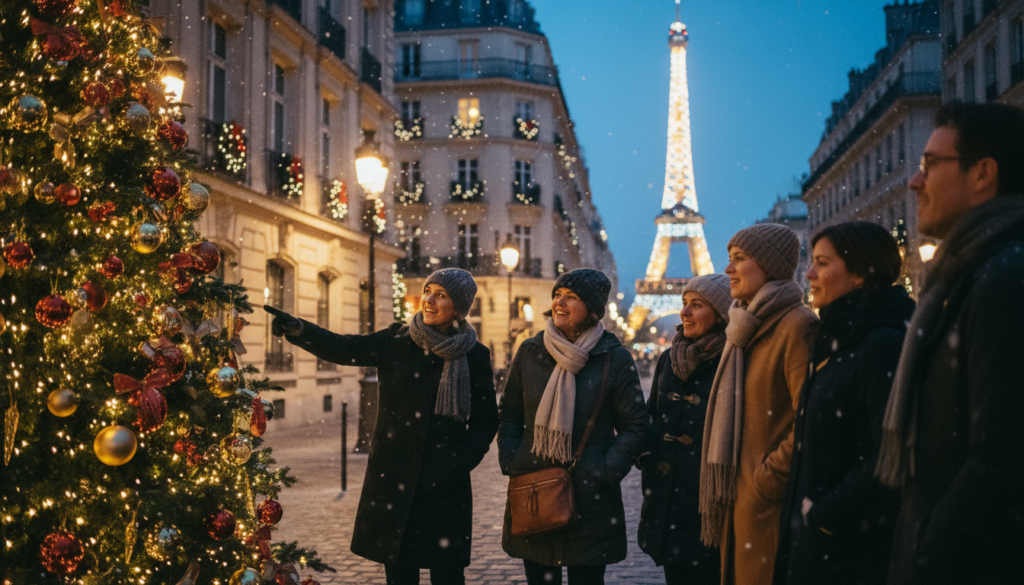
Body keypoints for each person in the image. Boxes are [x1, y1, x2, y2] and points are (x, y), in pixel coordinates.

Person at [264, 268, 499, 585]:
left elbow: (486, 419)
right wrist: (300, 330)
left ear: (458, 307)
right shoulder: (397, 340)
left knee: (448, 573)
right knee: (400, 572)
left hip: (445, 484)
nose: (428, 299)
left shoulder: (474, 355)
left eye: (441, 295)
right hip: (395, 477)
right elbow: (344, 348)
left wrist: (460, 461)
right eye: (428, 290)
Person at [876, 102, 1024, 585]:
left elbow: (999, 462)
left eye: (929, 165)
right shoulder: (966, 279)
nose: (914, 182)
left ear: (983, 174)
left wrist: (923, 554)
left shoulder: (1002, 279)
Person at [773, 222, 915, 585]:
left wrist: (823, 516)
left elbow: (889, 455)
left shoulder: (879, 345)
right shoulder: (836, 341)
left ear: (861, 274)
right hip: (822, 546)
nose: (808, 273)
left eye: (822, 262)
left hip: (848, 553)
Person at [497, 269, 651, 585]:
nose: (560, 303)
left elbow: (635, 425)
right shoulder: (530, 351)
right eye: (557, 295)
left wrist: (605, 470)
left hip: (590, 497)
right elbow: (510, 414)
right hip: (534, 486)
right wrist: (513, 459)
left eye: (572, 297)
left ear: (593, 310)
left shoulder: (614, 358)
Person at [699, 223, 818, 585]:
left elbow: (808, 419)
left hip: (764, 504)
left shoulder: (797, 325)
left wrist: (764, 481)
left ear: (769, 265)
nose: (728, 269)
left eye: (739, 259)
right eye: (729, 259)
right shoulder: (743, 325)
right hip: (740, 500)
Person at [637, 274, 733, 585]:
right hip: (668, 496)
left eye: (697, 305)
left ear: (719, 313)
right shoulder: (669, 358)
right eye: (684, 304)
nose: (685, 312)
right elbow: (652, 415)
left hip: (711, 498)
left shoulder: (734, 358)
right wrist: (648, 456)